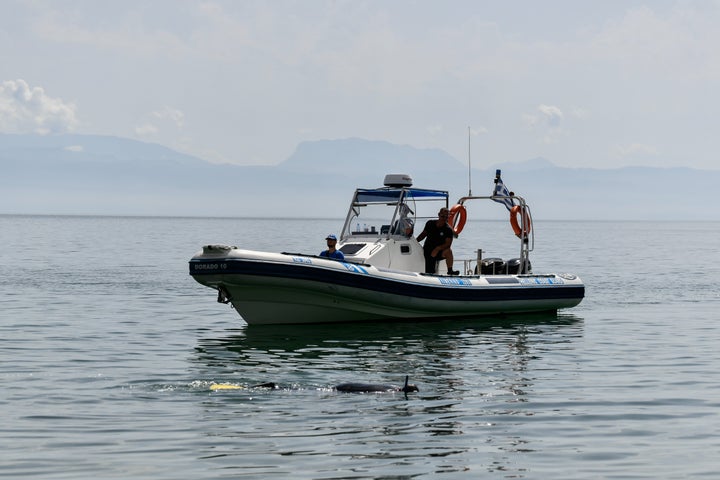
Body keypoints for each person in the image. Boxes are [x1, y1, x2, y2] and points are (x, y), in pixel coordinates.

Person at [416, 208, 459, 275]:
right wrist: (415, 242)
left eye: (446, 217)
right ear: (439, 215)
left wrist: (437, 249)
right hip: (428, 251)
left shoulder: (448, 229)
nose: (444, 218)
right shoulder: (430, 223)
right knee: (430, 271)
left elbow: (448, 244)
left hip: (439, 252)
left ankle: (450, 271)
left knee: (448, 251)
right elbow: (423, 235)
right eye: (442, 216)